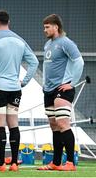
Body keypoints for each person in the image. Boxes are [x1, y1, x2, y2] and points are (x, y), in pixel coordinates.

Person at [0, 10, 39, 172]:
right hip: (15, 89)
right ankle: (14, 165)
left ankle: (1, 163)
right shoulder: (20, 40)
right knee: (13, 124)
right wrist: (23, 82)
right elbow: (34, 62)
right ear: (8, 22)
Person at [37, 14, 84, 171]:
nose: (45, 30)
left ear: (56, 27)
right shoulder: (47, 45)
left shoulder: (65, 42)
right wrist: (44, 84)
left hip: (62, 89)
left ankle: (70, 163)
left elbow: (79, 61)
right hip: (48, 90)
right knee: (54, 126)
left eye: (47, 27)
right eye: (44, 27)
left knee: (63, 123)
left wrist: (72, 83)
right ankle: (56, 163)